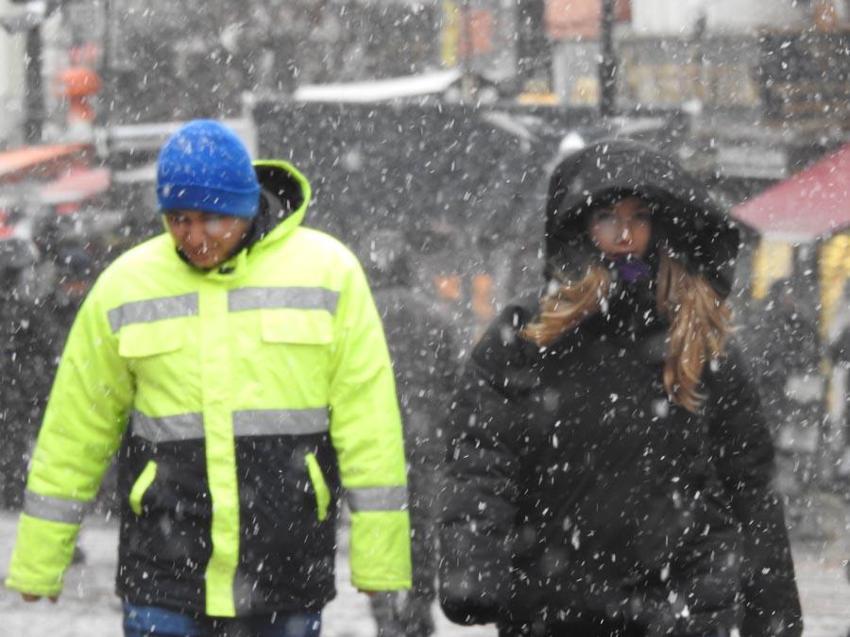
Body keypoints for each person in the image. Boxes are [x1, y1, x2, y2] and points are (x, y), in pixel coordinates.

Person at [6, 120, 412, 637]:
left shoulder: (329, 273)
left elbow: (368, 421)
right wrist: (40, 558)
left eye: (212, 220)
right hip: (164, 566)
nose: (194, 238)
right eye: (178, 220)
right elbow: (75, 428)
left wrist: (382, 559)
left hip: (282, 566)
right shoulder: (125, 287)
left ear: (246, 204)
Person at [439, 139, 802, 637]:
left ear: (660, 227)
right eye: (608, 216)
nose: (625, 233)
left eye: (639, 216)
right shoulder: (528, 335)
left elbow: (750, 482)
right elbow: (482, 456)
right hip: (554, 602)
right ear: (582, 226)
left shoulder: (699, 340)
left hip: (683, 604)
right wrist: (473, 565)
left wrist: (773, 610)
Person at [362, 230, 458, 637]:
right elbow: (455, 385)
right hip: (425, 439)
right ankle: (418, 609)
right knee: (421, 530)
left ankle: (386, 614)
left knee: (378, 530)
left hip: (371, 441)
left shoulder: (359, 316)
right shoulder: (435, 317)